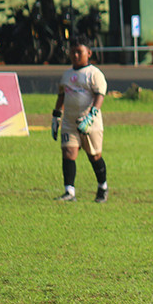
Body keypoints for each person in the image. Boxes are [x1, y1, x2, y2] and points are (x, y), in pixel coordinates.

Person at [51, 40, 108, 203]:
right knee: (68, 153)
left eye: (79, 52)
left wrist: (91, 116)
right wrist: (56, 116)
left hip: (90, 122)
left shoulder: (94, 73)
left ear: (88, 53)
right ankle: (69, 191)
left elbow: (100, 95)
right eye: (73, 52)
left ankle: (102, 187)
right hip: (69, 122)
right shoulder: (67, 75)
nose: (75, 55)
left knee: (94, 156)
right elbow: (62, 95)